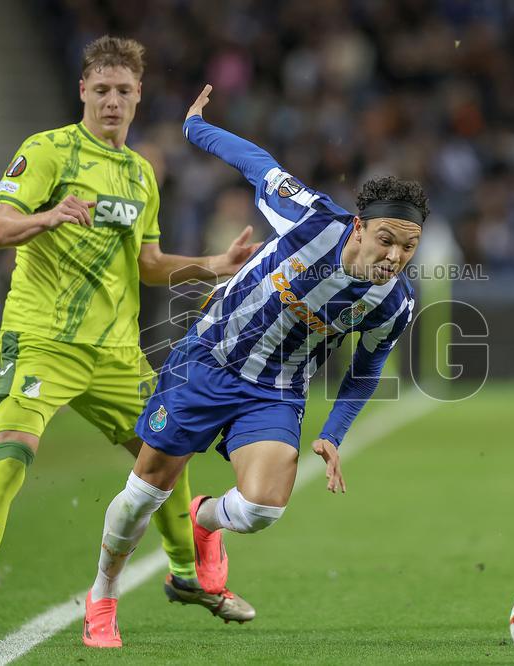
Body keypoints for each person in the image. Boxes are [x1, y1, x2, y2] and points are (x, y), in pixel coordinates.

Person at [81, 84, 426, 648]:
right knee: (142, 496)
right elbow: (257, 163)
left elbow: (366, 369)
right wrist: (195, 128)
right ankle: (102, 597)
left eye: (408, 248)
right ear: (360, 226)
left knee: (263, 507)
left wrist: (334, 434)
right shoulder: (312, 219)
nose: (394, 257)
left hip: (277, 391)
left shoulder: (395, 302)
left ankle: (204, 521)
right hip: (207, 362)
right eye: (387, 240)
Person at [0, 38, 261, 628]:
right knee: (11, 458)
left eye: (123, 92)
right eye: (101, 90)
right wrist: (49, 216)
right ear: (83, 91)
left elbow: (149, 263)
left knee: (167, 456)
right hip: (43, 340)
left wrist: (214, 265)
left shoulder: (140, 174)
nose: (112, 102)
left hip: (115, 354)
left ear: (138, 97)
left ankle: (187, 576)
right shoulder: (48, 152)